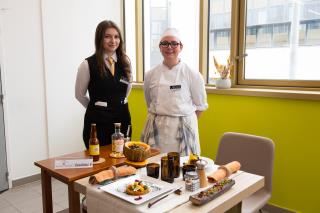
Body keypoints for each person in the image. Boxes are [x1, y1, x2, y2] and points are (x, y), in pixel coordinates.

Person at [142, 28, 208, 156]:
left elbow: (200, 106)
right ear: (160, 47)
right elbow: (149, 102)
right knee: (155, 166)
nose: (169, 47)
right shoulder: (150, 75)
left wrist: (185, 122)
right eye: (165, 43)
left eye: (174, 43)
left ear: (181, 47)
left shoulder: (192, 74)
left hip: (182, 130)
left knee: (185, 169)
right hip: (157, 129)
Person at [75, 20, 132, 149]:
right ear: (99, 39)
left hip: (122, 119)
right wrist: (96, 107)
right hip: (98, 122)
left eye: (116, 37)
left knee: (122, 159)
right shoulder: (87, 64)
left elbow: (127, 88)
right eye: (107, 36)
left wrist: (116, 102)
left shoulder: (125, 62)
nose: (113, 41)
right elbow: (79, 95)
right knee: (99, 161)